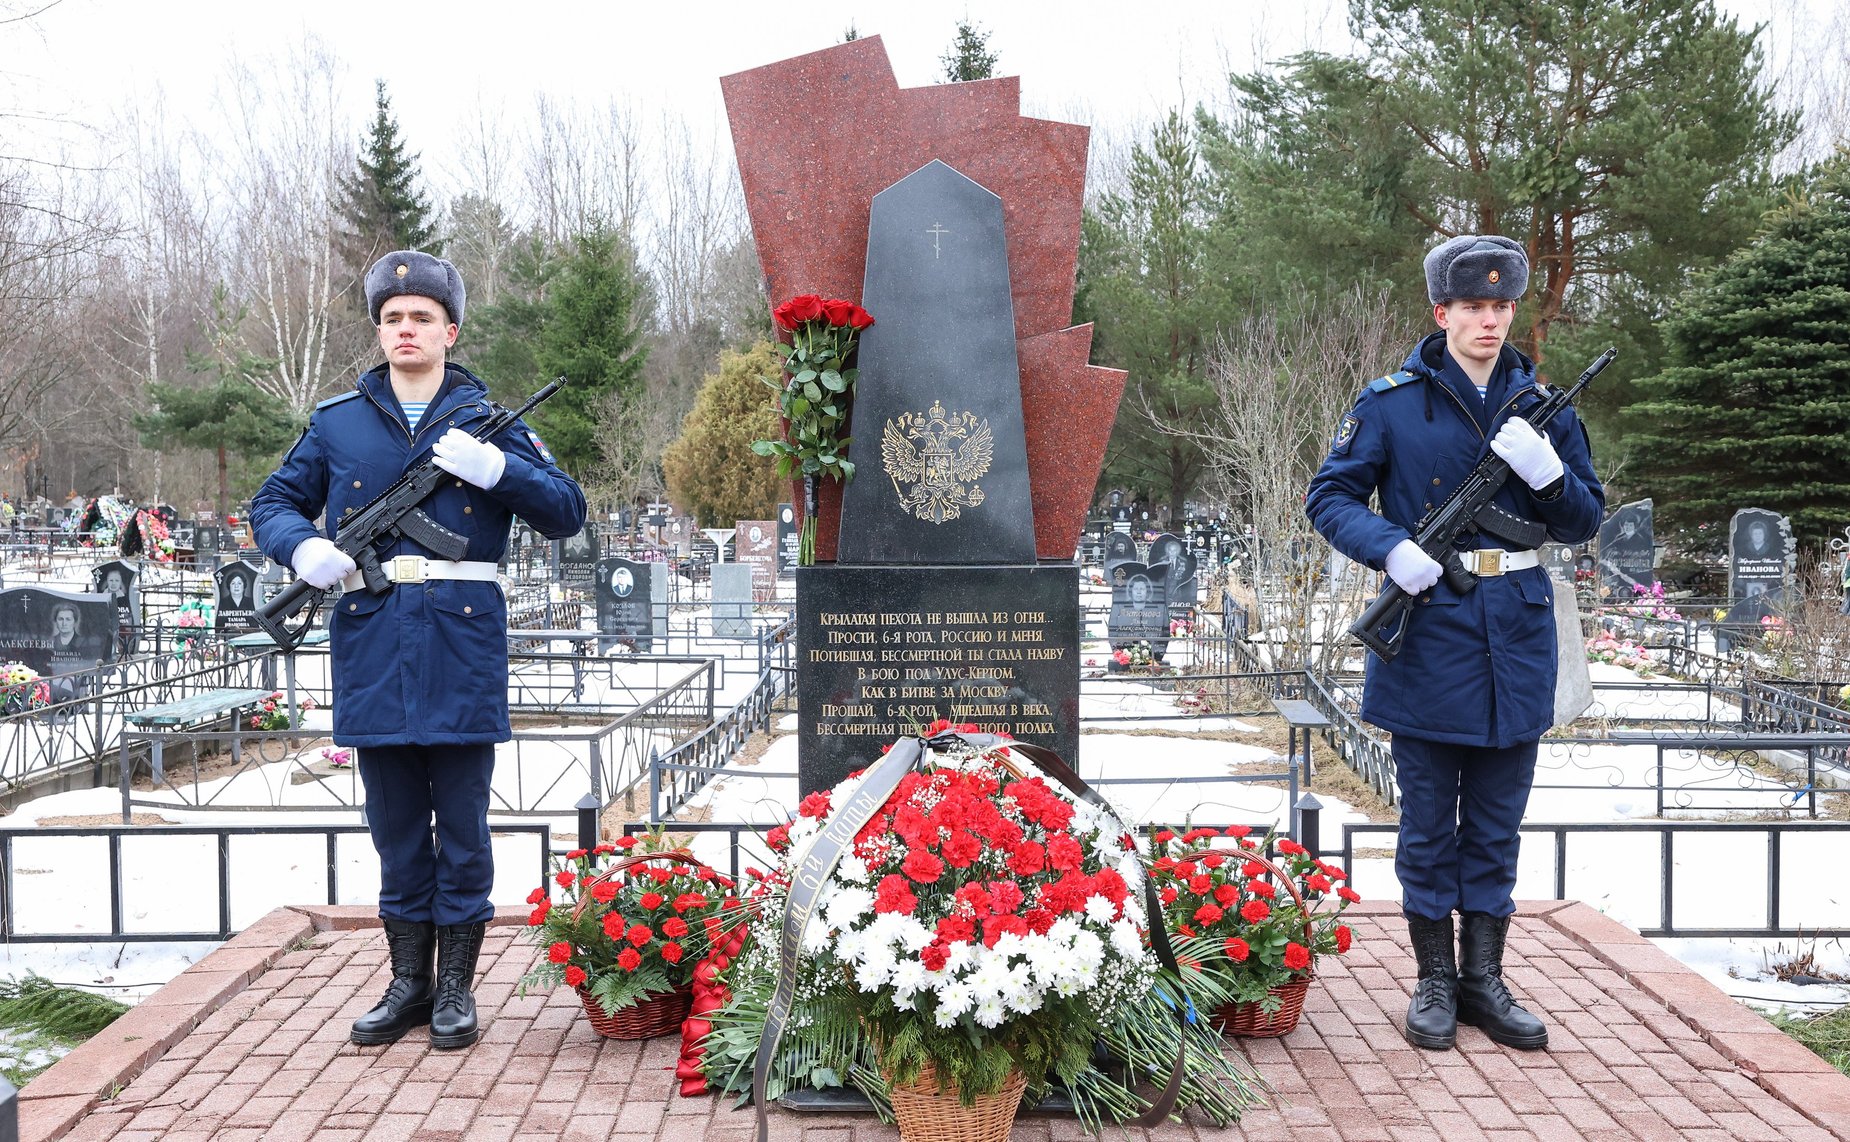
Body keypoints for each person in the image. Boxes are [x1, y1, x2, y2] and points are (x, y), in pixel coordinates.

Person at [251, 250, 586, 1051]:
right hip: (371, 635)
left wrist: (500, 468)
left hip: (461, 640)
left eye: (422, 318)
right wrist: (302, 551)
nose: (406, 330)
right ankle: (408, 983)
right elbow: (272, 501)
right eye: (393, 318)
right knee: (394, 824)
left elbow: (566, 510)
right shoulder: (337, 422)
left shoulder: (488, 421)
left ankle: (458, 991)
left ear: (449, 330)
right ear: (380, 331)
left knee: (463, 826)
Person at [1306, 234, 1604, 1053]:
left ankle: (1485, 981)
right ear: (1442, 312)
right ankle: (1434, 979)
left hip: (1515, 634)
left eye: (1502, 307)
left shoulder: (1548, 409)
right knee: (1430, 823)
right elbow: (1329, 496)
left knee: (1498, 823)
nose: (1489, 321)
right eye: (1473, 306)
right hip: (1430, 627)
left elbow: (1584, 519)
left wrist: (1548, 474)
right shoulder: (1392, 402)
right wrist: (1390, 547)